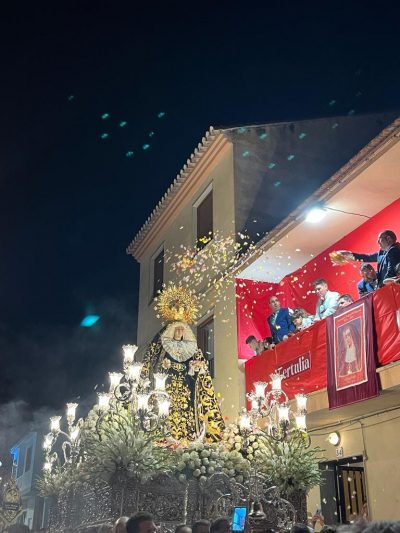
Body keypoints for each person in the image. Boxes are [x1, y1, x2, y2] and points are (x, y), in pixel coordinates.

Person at [141, 285, 224, 443]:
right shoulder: (162, 342)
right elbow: (152, 363)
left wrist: (195, 369)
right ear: (171, 331)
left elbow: (197, 369)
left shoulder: (190, 347)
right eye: (176, 330)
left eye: (181, 330)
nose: (179, 332)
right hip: (167, 387)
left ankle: (187, 442)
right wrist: (164, 366)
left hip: (186, 387)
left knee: (187, 415)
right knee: (166, 415)